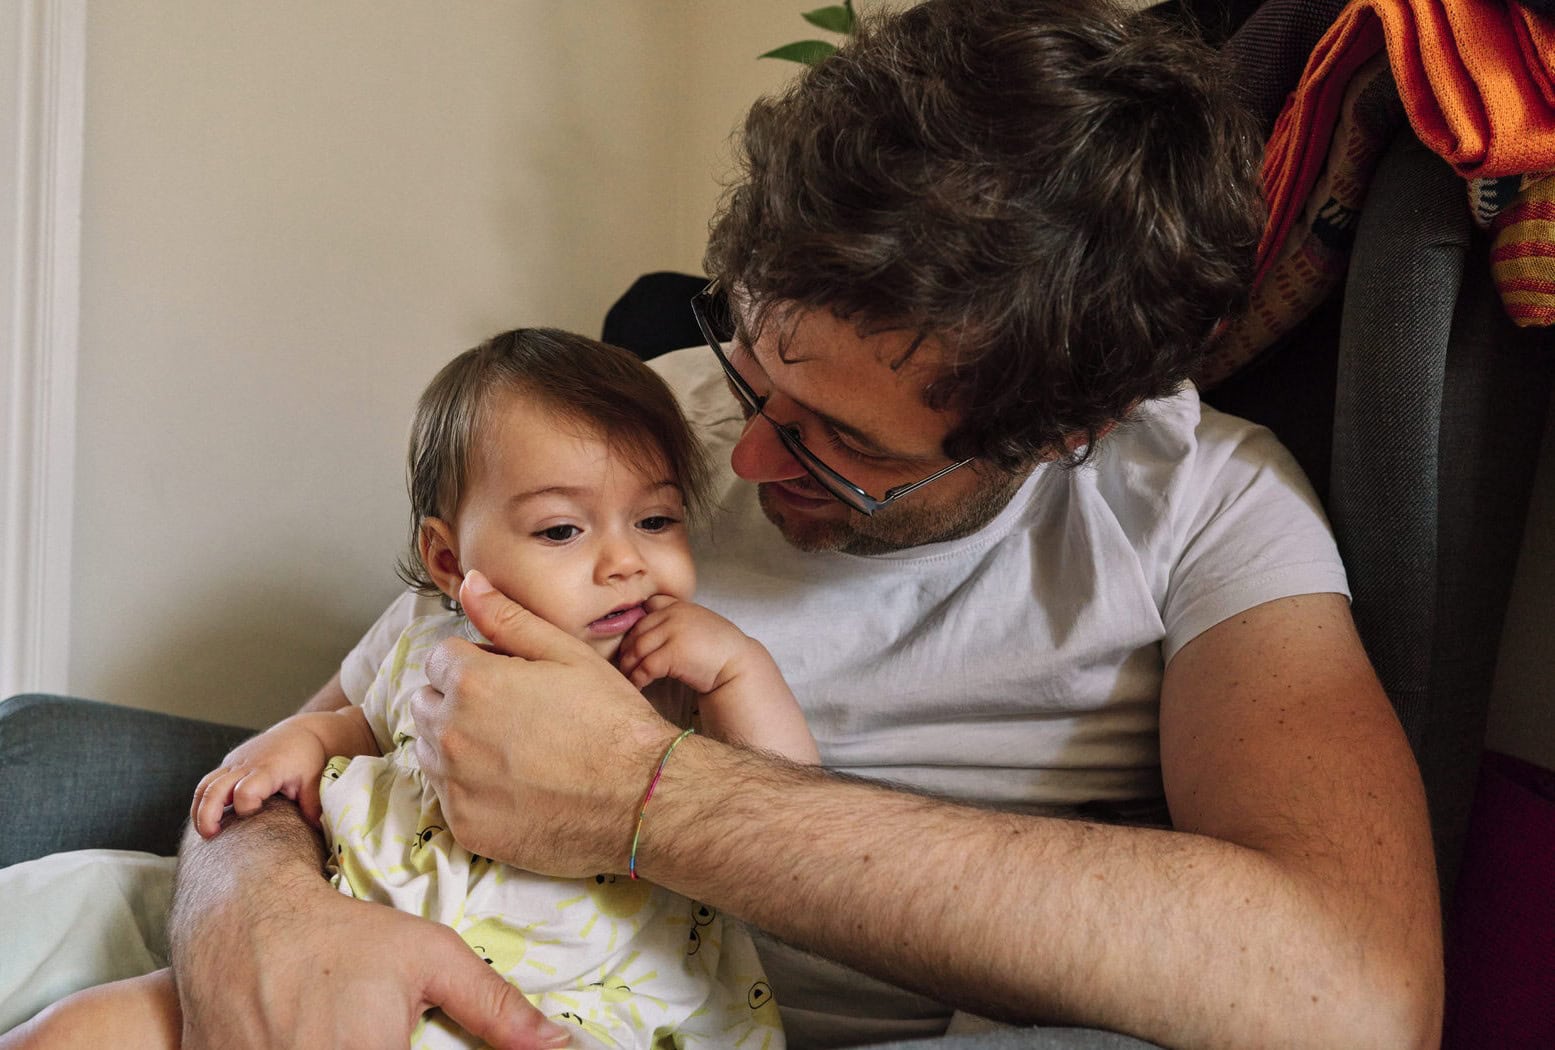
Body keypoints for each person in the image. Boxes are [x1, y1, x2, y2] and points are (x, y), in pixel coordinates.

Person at [3, 0, 1445, 1047]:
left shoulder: (1208, 517)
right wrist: (257, 909)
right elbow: (352, 711)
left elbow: (1353, 991)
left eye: (841, 443)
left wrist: (647, 796)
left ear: (1068, 432)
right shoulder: (632, 436)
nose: (738, 454)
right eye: (751, 367)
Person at [2, 329, 817, 1050]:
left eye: (656, 521)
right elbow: (357, 724)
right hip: (337, 950)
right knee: (72, 1029)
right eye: (561, 530)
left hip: (569, 1005)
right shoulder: (429, 642)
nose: (625, 562)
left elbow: (780, 811)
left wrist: (738, 669)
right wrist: (299, 742)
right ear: (448, 561)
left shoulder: (665, 675)